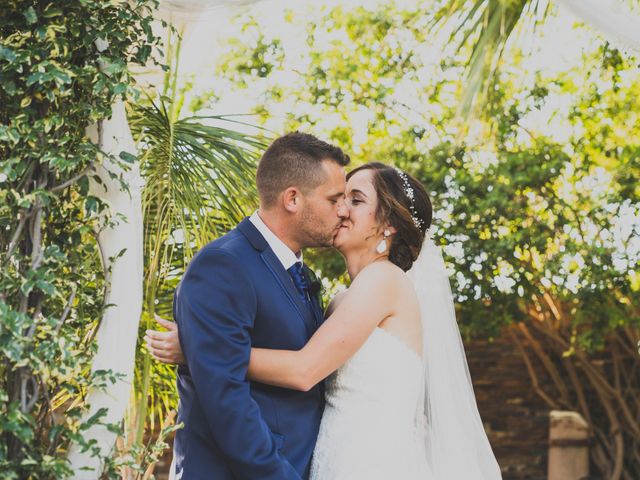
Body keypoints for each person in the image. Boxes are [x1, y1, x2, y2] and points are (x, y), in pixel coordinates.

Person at [149, 162, 503, 479]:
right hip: (334, 459)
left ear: (389, 225)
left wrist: (201, 348)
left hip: (372, 465)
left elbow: (304, 370)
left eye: (356, 200)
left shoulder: (385, 281)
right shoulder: (342, 299)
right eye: (340, 197)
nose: (341, 209)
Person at [165, 131, 350, 480]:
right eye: (333, 198)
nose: (343, 211)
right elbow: (226, 402)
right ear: (292, 199)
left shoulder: (300, 272)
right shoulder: (223, 265)